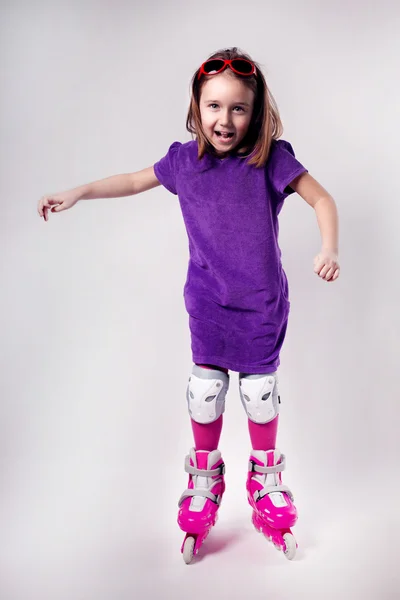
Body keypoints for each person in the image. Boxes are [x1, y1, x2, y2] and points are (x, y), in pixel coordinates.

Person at [37, 47, 340, 564]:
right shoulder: (184, 161)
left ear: (257, 112)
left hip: (261, 305)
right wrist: (81, 191)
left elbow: (322, 198)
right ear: (197, 108)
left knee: (260, 393)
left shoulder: (270, 159)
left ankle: (266, 479)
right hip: (208, 302)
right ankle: (205, 477)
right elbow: (134, 180)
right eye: (214, 106)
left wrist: (329, 246)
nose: (225, 119)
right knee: (205, 392)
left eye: (239, 108)